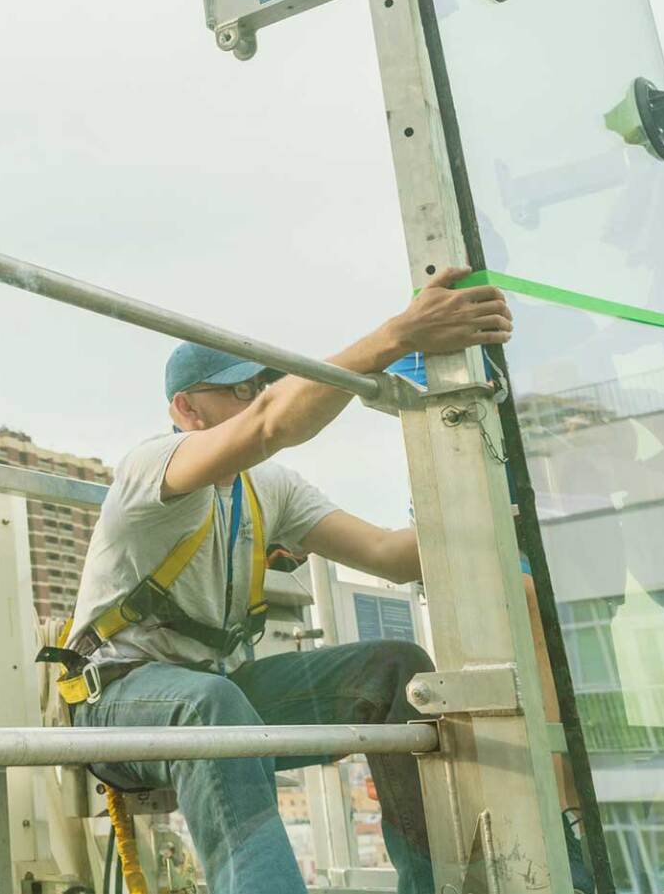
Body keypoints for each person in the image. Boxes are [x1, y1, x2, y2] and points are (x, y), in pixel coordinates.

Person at [54, 268, 515, 894]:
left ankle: (437, 886)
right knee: (209, 707)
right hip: (117, 704)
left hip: (222, 695)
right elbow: (273, 423)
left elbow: (390, 554)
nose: (252, 400)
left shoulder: (267, 487)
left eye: (258, 388)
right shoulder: (151, 469)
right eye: (236, 391)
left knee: (397, 671)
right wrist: (396, 336)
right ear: (186, 409)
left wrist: (496, 510)